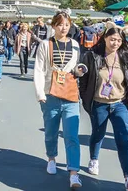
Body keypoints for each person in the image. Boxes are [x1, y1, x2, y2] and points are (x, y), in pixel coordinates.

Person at [79, 22, 128, 191]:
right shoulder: (92, 56)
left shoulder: (126, 57)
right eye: (112, 39)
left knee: (123, 139)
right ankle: (94, 158)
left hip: (119, 104)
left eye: (119, 40)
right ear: (105, 38)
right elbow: (83, 81)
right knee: (98, 134)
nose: (115, 43)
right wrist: (86, 100)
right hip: (99, 103)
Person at [33, 11, 84, 189]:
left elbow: (75, 68)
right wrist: (40, 93)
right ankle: (52, 158)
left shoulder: (76, 45)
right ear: (53, 26)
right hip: (50, 94)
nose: (64, 28)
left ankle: (74, 172)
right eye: (60, 24)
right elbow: (39, 70)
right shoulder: (45, 45)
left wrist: (79, 70)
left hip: (70, 95)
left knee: (72, 135)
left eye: (67, 25)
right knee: (51, 131)